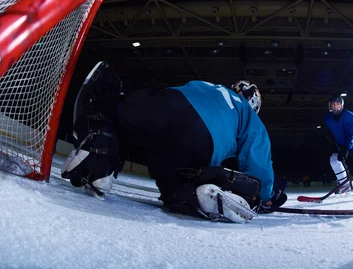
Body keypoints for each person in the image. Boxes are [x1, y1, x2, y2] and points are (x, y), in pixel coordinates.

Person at [61, 62, 287, 223]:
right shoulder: (250, 116)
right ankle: (195, 196)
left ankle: (99, 159)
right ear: (255, 104)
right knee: (175, 191)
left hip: (168, 105)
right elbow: (257, 161)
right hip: (198, 139)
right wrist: (264, 196)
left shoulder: (210, 87)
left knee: (112, 108)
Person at [324, 94, 353, 195]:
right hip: (341, 144)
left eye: (338, 104)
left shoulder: (350, 116)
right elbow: (330, 132)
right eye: (333, 105)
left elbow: (352, 134)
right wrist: (334, 143)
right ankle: (345, 185)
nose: (336, 107)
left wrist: (346, 148)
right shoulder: (328, 118)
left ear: (342, 105)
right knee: (333, 160)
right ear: (330, 106)